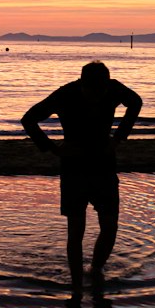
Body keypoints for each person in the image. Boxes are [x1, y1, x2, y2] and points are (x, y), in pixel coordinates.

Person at [21, 61, 142, 294]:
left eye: (102, 91)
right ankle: (77, 283)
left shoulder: (113, 88)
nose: (98, 96)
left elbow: (136, 102)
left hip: (104, 162)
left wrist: (118, 139)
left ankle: (96, 270)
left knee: (110, 225)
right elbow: (29, 119)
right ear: (83, 83)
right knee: (76, 229)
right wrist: (52, 148)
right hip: (74, 165)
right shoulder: (65, 93)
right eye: (93, 91)